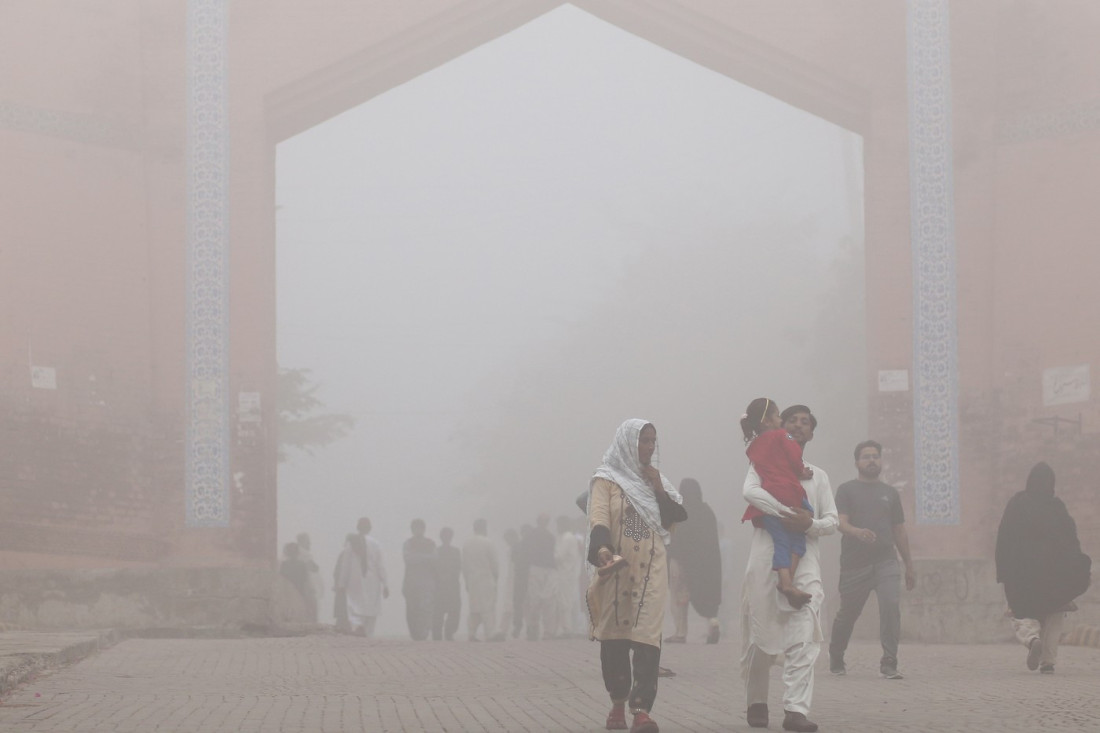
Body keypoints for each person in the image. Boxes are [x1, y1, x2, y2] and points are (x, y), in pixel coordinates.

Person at [741, 404, 837, 733]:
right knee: (760, 632)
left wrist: (809, 522)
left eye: (805, 423)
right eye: (792, 420)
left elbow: (831, 522)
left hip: (805, 558)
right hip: (765, 556)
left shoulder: (817, 476)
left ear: (811, 433)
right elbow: (750, 493)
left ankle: (795, 708)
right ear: (781, 426)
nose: (798, 426)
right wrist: (785, 513)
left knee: (805, 629)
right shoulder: (763, 464)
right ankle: (756, 699)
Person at [587, 419, 686, 733]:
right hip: (617, 570)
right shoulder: (606, 480)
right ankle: (617, 701)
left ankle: (641, 710)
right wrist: (603, 551)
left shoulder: (657, 482)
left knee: (647, 638)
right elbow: (599, 517)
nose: (650, 447)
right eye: (644, 440)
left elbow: (675, 517)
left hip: (652, 570)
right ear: (629, 443)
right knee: (614, 639)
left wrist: (657, 486)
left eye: (653, 441)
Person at [828, 440, 915, 680]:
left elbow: (899, 529)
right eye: (866, 457)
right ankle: (836, 653)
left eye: (875, 456)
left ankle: (889, 661)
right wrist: (857, 532)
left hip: (886, 561)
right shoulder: (846, 490)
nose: (871, 460)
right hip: (855, 564)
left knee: (890, 607)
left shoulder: (890, 493)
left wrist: (909, 564)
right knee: (848, 614)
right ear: (857, 462)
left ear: (881, 461)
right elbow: (839, 522)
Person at [995, 461, 1091, 674]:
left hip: (1021, 576)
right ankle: (1048, 660)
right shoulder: (1056, 507)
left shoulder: (1017, 504)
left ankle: (1031, 639)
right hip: (1053, 577)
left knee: (1021, 613)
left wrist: (1003, 572)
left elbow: (1004, 538)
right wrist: (1077, 568)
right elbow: (1070, 541)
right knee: (1054, 613)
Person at [740, 398, 815, 609]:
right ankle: (788, 581)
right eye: (778, 416)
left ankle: (785, 582)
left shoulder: (754, 446)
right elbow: (793, 453)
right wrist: (801, 470)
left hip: (767, 502)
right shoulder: (784, 435)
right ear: (766, 421)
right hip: (788, 494)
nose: (781, 420)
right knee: (802, 530)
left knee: (781, 541)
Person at [666, 478, 722, 644]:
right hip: (704, 565)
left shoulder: (679, 511)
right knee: (706, 596)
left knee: (679, 598)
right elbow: (712, 542)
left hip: (679, 562)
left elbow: (672, 538)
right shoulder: (707, 512)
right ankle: (713, 622)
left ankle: (680, 632)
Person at [333, 517, 389, 638]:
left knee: (355, 611)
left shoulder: (351, 544)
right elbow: (381, 567)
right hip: (373, 583)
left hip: (355, 584)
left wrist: (341, 584)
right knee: (370, 613)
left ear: (358, 527)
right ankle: (367, 636)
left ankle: (358, 630)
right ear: (370, 528)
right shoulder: (376, 544)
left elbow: (345, 566)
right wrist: (385, 584)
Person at [462, 518, 500, 642]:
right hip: (486, 578)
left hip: (472, 579)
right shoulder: (488, 542)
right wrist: (496, 577)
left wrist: (466, 581)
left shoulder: (467, 544)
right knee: (488, 607)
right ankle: (490, 633)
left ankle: (471, 633)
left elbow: (464, 565)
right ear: (484, 527)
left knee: (474, 608)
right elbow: (494, 563)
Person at [522, 513, 558, 641]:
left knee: (546, 600)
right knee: (537, 600)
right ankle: (534, 628)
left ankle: (545, 630)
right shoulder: (537, 536)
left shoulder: (548, 536)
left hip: (546, 569)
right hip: (537, 568)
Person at [403, 518, 437, 641]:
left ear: (424, 529)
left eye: (420, 528)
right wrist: (425, 558)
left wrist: (417, 557)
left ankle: (423, 634)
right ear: (412, 530)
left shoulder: (431, 543)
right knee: (412, 610)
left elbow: (434, 559)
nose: (418, 530)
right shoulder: (408, 543)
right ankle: (415, 634)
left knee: (426, 609)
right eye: (415, 528)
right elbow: (408, 559)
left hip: (427, 582)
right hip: (411, 583)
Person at [554, 515, 583, 637]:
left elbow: (559, 556)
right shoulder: (568, 537)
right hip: (568, 574)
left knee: (565, 601)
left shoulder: (567, 538)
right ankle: (568, 627)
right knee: (568, 600)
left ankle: (567, 628)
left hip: (566, 574)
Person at [432, 527, 462, 641]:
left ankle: (449, 632)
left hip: (452, 585)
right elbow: (433, 568)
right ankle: (437, 634)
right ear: (441, 537)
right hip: (440, 586)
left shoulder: (456, 551)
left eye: (448, 536)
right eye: (445, 536)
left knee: (454, 610)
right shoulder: (436, 551)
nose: (447, 538)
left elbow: (458, 567)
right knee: (438, 612)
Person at [496, 527, 519, 640]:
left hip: (515, 580)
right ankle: (505, 629)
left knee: (509, 605)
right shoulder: (511, 549)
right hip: (511, 579)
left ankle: (503, 630)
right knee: (510, 605)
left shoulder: (516, 549)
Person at [279, 542, 313, 619]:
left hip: (287, 593)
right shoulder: (302, 565)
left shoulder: (284, 565)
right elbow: (305, 581)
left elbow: (281, 579)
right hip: (300, 592)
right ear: (297, 553)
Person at [296, 532, 323, 623]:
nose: (310, 544)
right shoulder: (305, 554)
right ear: (302, 541)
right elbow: (314, 568)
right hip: (306, 586)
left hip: (296, 586)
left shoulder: (293, 553)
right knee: (311, 607)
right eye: (308, 542)